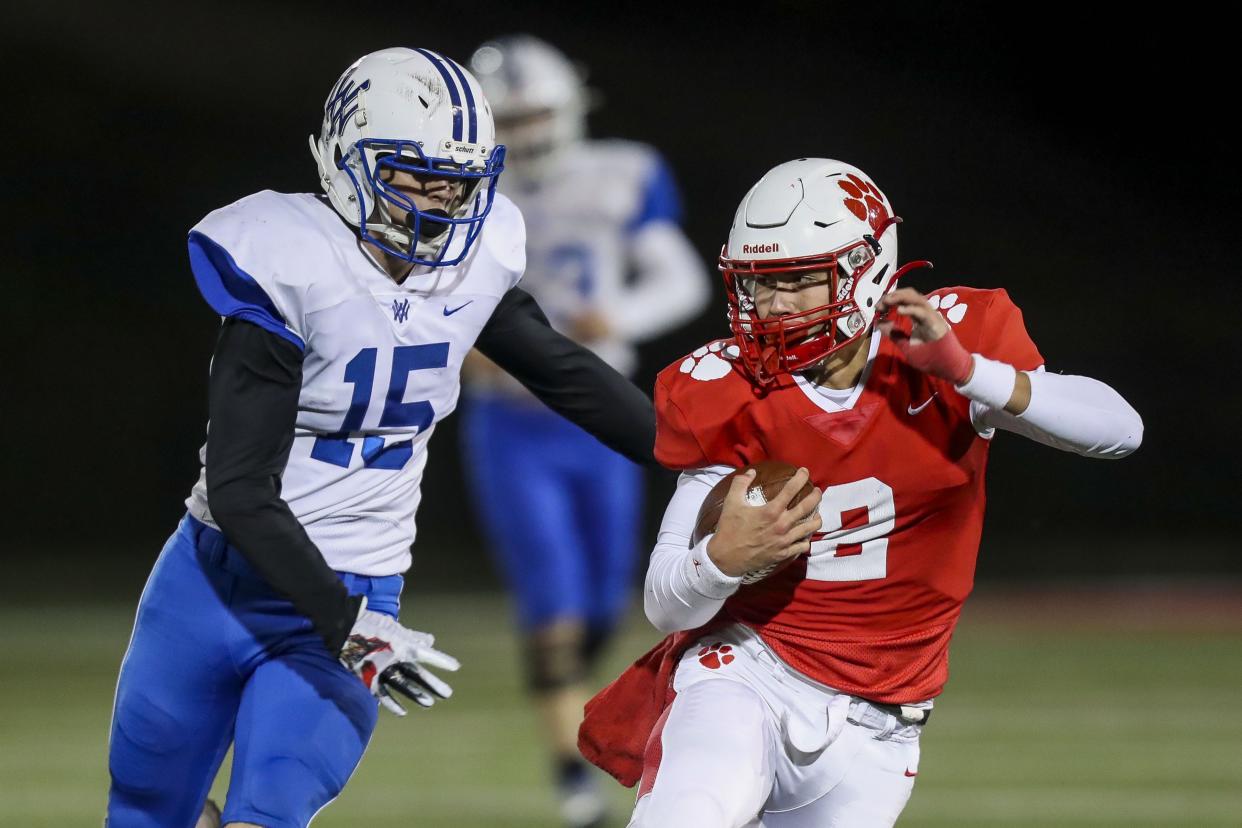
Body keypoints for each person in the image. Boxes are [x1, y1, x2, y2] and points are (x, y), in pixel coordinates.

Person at [105, 46, 659, 828]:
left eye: (456, 179)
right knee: (146, 813)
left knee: (271, 813)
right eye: (414, 174)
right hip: (216, 580)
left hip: (358, 585)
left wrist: (704, 451)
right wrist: (347, 624)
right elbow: (239, 488)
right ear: (345, 157)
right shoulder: (289, 260)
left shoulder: (471, 265)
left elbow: (566, 373)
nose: (441, 200)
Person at [578, 158, 1144, 827]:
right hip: (747, 669)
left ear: (865, 271)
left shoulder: (947, 343)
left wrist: (972, 373)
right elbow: (664, 603)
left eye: (796, 282)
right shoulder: (726, 387)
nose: (773, 307)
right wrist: (720, 561)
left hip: (883, 717)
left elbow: (1120, 429)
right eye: (758, 285)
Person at [461, 35, 709, 828]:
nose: (526, 132)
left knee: (608, 600)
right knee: (554, 606)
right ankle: (574, 786)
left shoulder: (621, 173)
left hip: (599, 417)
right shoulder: (456, 188)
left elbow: (680, 277)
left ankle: (583, 727)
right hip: (511, 425)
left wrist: (620, 318)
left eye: (535, 113)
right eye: (509, 118)